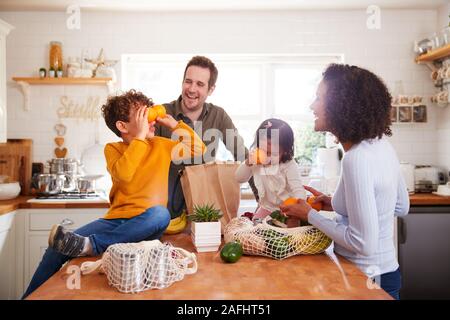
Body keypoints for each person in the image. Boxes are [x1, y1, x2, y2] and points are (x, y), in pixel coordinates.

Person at [22, 90, 206, 299]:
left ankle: (92, 245)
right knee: (57, 247)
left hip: (146, 223)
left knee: (161, 214)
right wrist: (139, 138)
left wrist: (174, 125)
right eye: (142, 115)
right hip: (115, 221)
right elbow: (124, 174)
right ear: (122, 126)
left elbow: (198, 148)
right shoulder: (114, 149)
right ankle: (28, 296)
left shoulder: (162, 146)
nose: (149, 119)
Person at [280, 64, 409, 300]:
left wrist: (309, 214)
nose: (312, 106)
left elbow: (363, 244)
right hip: (387, 273)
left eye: (319, 98)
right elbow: (401, 205)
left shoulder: (355, 158)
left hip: (364, 278)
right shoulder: (382, 146)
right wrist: (337, 203)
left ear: (341, 105)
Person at [156, 55, 258, 220]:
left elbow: (244, 156)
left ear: (211, 90)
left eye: (200, 84)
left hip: (203, 210)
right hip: (165, 211)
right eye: (188, 81)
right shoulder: (162, 114)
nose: (191, 89)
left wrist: (261, 200)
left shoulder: (218, 116)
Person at [235, 118, 306, 223]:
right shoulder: (255, 161)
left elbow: (298, 190)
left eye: (271, 153)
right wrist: (247, 163)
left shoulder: (288, 165)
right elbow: (239, 178)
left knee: (290, 231)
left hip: (288, 210)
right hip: (267, 208)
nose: (266, 158)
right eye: (263, 151)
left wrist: (298, 211)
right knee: (256, 227)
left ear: (285, 151)